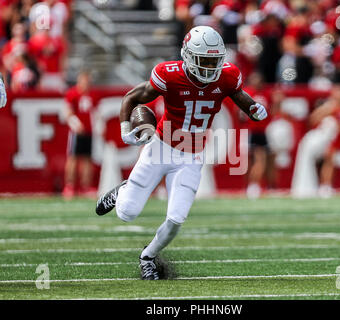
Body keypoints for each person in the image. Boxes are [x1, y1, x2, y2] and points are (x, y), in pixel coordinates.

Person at [95, 26, 267, 280]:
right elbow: (133, 97)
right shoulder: (169, 74)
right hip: (161, 148)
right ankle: (122, 191)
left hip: (192, 156)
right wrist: (124, 128)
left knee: (176, 220)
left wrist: (253, 107)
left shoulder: (226, 76)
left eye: (215, 60)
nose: (210, 67)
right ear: (188, 56)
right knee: (127, 213)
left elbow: (237, 94)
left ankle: (148, 257)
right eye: (204, 60)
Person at [62, 70, 97, 199]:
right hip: (77, 131)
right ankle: (69, 186)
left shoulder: (92, 95)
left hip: (89, 131)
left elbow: (94, 113)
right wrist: (76, 124)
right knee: (73, 158)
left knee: (87, 159)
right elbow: (68, 112)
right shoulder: (73, 94)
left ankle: (85, 186)